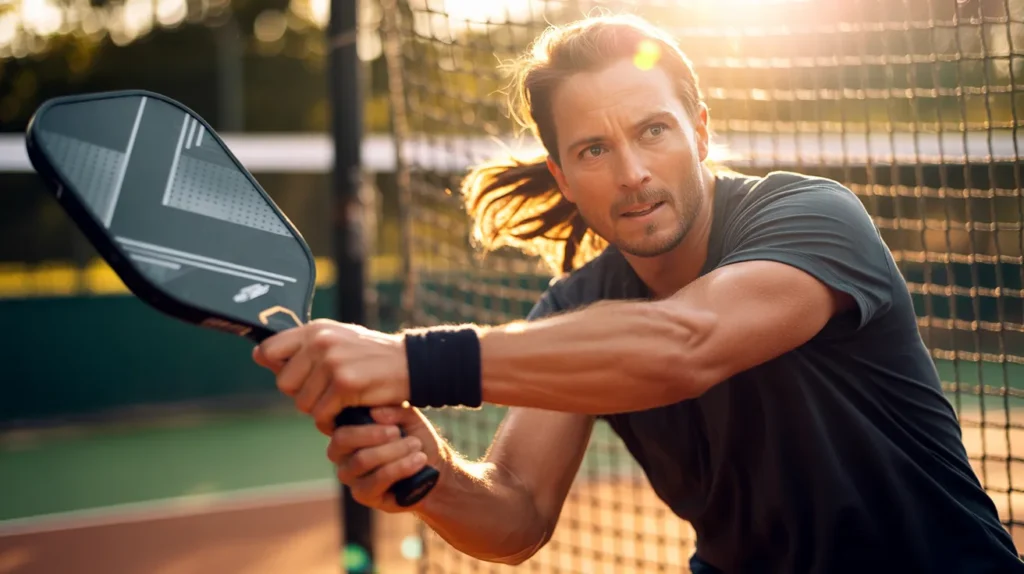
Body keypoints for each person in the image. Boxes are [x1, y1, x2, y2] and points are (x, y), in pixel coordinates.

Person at [252, 14, 1023, 574]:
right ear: (563, 175)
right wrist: (434, 478)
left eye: (653, 131)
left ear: (701, 132)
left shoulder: (811, 216)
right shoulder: (575, 310)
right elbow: (517, 515)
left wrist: (410, 362)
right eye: (593, 149)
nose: (631, 174)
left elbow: (684, 345)